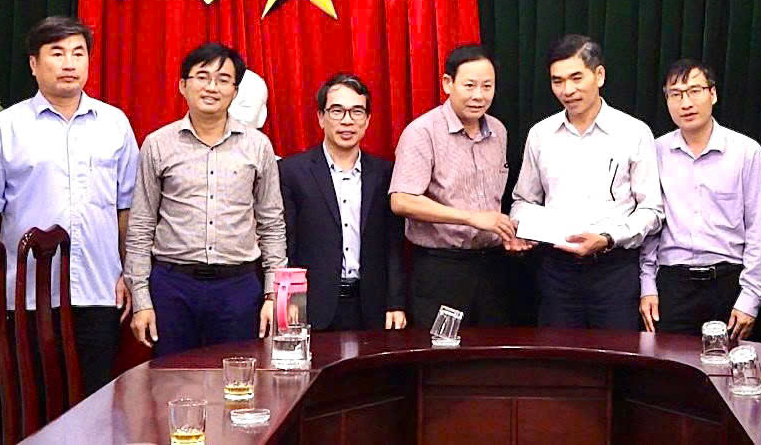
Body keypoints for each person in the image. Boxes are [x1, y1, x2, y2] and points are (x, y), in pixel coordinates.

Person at [0, 16, 138, 393]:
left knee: (94, 403)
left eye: (78, 53)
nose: (69, 63)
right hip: (25, 295)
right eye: (57, 53)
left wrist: (130, 274)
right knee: (31, 403)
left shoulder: (114, 124)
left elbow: (126, 211)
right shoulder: (4, 128)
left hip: (99, 291)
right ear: (34, 64)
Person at [124, 43, 287, 355]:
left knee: (236, 377)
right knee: (173, 378)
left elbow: (272, 225)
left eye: (223, 80)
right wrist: (142, 299)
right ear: (182, 85)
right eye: (202, 77)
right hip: (173, 286)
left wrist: (272, 295)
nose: (212, 87)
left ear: (234, 91)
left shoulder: (258, 146)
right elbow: (141, 225)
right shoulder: (157, 144)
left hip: (238, 287)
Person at [511, 34, 663, 329]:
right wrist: (525, 227)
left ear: (599, 75)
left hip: (614, 269)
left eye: (576, 78)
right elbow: (523, 200)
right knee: (557, 355)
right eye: (557, 81)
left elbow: (651, 210)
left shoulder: (633, 132)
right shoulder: (541, 134)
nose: (567, 90)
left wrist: (607, 238)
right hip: (556, 271)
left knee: (615, 354)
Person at [389, 44, 531, 328]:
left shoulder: (499, 131)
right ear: (447, 83)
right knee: (444, 351)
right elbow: (401, 200)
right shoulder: (422, 132)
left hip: (493, 267)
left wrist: (509, 233)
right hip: (442, 269)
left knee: (493, 350)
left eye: (487, 86)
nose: (479, 95)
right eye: (469, 85)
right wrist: (470, 218)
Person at [640, 59, 761, 339]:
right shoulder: (655, 151)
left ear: (713, 94)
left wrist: (750, 297)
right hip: (672, 285)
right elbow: (650, 224)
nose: (686, 103)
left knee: (729, 365)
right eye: (676, 94)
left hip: (729, 282)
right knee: (668, 365)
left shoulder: (746, 152)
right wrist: (647, 285)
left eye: (695, 91)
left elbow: (758, 229)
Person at [279, 73, 407, 331]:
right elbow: (286, 242)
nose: (347, 120)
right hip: (312, 305)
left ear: (367, 120)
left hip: (371, 305)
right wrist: (289, 298)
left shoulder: (385, 173)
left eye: (357, 111)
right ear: (320, 117)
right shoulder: (292, 172)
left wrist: (395, 301)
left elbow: (394, 244)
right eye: (337, 111)